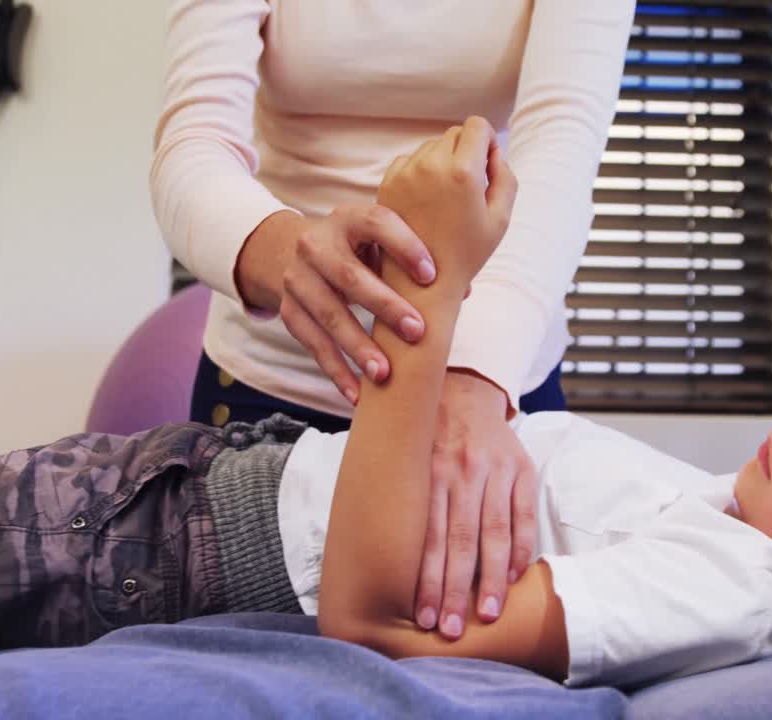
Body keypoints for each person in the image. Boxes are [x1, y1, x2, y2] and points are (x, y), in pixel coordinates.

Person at [0, 120, 772, 686]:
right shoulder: (740, 531)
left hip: (188, 544)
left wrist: (436, 291)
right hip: (212, 482)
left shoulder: (725, 593)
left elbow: (373, 616)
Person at [149, 0, 636, 640]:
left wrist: (470, 381)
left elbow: (563, 138)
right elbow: (194, 143)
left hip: (489, 390)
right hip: (274, 385)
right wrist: (286, 251)